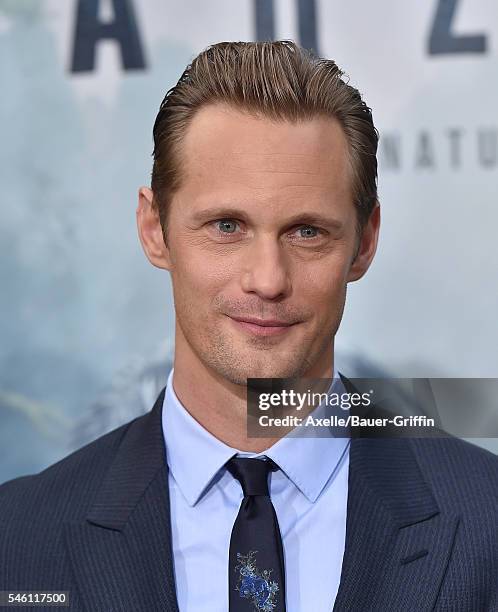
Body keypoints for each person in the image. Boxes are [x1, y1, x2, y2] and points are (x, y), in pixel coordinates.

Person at [0, 40, 497, 612]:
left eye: (307, 231)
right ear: (154, 228)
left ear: (364, 243)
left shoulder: (489, 522)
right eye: (227, 226)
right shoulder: (17, 541)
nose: (267, 280)